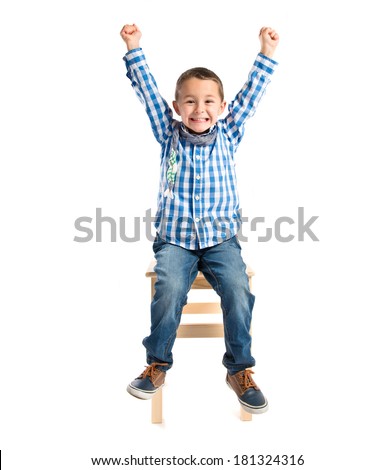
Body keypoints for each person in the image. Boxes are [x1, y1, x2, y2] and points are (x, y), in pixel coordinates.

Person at [120, 22, 279, 414]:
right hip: (174, 239)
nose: (199, 109)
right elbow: (145, 90)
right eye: (189, 102)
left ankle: (239, 369)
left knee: (239, 291)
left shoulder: (230, 131)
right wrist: (133, 47)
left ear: (222, 108)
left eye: (209, 101)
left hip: (221, 239)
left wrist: (266, 53)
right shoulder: (167, 132)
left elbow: (253, 94)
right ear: (177, 108)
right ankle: (157, 364)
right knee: (170, 288)